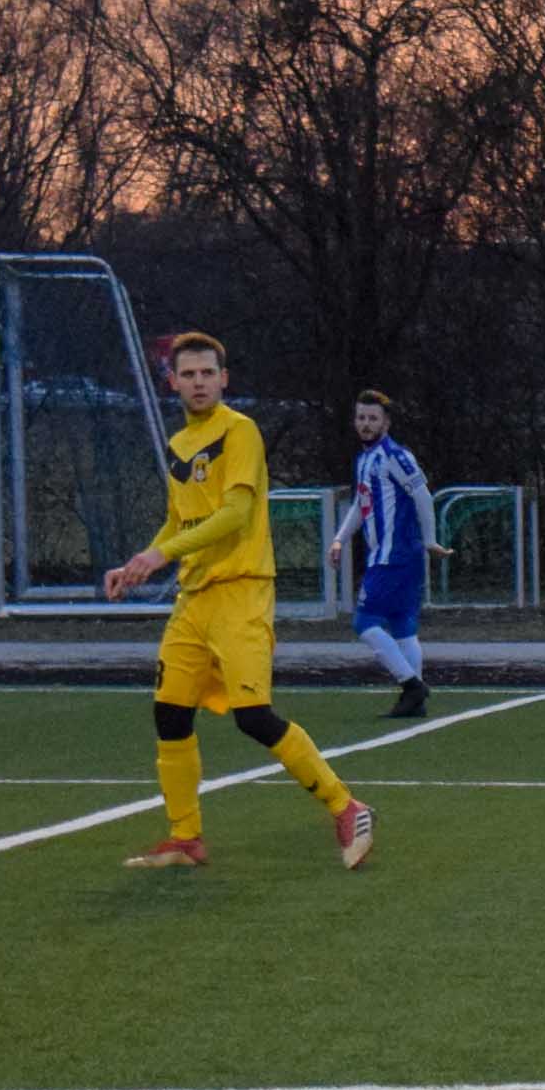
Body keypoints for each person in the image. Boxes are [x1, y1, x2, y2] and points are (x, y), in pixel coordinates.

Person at [102, 332, 375, 870]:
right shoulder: (180, 445)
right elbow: (180, 520)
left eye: (208, 373)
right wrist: (141, 561)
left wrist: (161, 556)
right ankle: (186, 838)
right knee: (169, 713)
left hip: (243, 591)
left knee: (254, 717)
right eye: (188, 374)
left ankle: (347, 807)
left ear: (224, 379)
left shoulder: (239, 431)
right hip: (194, 599)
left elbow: (235, 514)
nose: (199, 382)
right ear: (173, 382)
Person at [325, 388, 444, 720]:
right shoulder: (365, 459)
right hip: (394, 557)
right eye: (361, 418)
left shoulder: (395, 456)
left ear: (386, 423)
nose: (365, 424)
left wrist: (430, 539)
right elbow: (362, 506)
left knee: (364, 622)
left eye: (373, 418)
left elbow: (422, 495)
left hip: (394, 557)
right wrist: (339, 539)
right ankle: (415, 702)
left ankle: (412, 685)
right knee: (403, 627)